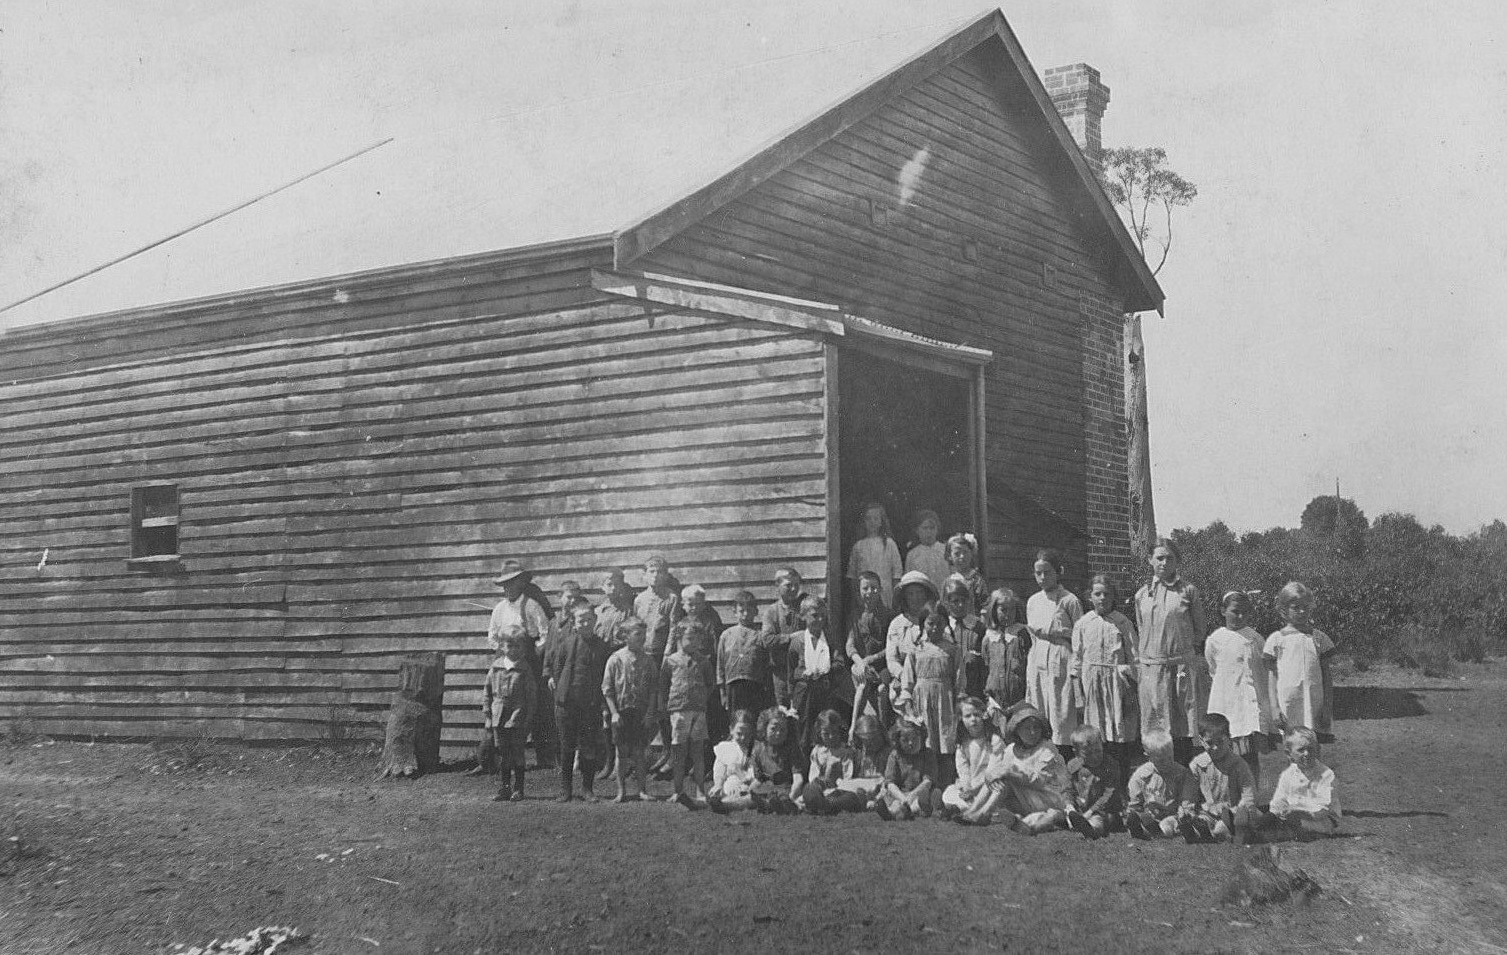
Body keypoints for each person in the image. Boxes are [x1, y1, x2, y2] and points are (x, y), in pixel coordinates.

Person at [1133, 538, 1208, 765]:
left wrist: (1180, 651)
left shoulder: (1188, 591)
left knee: (1182, 725)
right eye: (1159, 558)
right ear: (1150, 560)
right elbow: (1142, 628)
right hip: (1152, 670)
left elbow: (1199, 629)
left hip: (1180, 668)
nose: (1164, 563)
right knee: (1156, 726)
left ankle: (1185, 781)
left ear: (1177, 561)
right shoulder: (1141, 595)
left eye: (1170, 558)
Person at [488, 558, 557, 771]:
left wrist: (533, 652)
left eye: (512, 583)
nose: (508, 588)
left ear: (521, 583)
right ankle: (501, 757)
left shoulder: (532, 605)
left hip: (529, 662)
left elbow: (545, 634)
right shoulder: (499, 609)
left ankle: (545, 757)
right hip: (506, 662)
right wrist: (502, 650)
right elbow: (491, 635)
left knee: (534, 706)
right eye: (504, 585)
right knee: (503, 703)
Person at [1205, 590, 1277, 787]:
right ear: (1223, 611)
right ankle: (1230, 797)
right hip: (1227, 703)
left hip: (1249, 706)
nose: (1240, 616)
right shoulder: (1215, 639)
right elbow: (1213, 669)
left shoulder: (1255, 638)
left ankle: (1250, 796)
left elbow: (1261, 671)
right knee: (1226, 754)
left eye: (1245, 612)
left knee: (1249, 755)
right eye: (1235, 611)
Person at [963, 704, 1069, 832]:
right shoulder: (1011, 750)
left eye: (1036, 728)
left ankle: (984, 814)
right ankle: (972, 811)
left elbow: (1038, 780)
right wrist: (990, 775)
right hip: (1025, 798)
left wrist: (1009, 773)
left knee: (1005, 780)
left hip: (1047, 799)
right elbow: (998, 770)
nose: (1032, 732)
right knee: (996, 778)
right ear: (1017, 731)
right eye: (1027, 729)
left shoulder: (1047, 749)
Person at [543, 603, 611, 802]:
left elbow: (603, 675)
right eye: (581, 620)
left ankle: (587, 789)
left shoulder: (601, 646)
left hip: (590, 705)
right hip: (567, 703)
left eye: (590, 619)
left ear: (595, 621)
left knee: (588, 747)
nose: (586, 623)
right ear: (574, 622)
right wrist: (560, 695)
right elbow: (558, 669)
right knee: (567, 746)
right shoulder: (566, 643)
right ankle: (566, 790)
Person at [1072, 574, 1138, 764]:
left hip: (1117, 684)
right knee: (1096, 731)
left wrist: (1131, 682)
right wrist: (1078, 694)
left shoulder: (1122, 622)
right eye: (1097, 594)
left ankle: (1121, 776)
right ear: (1089, 597)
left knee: (1118, 731)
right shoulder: (1083, 624)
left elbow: (1134, 655)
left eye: (1106, 594)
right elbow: (1076, 661)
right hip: (1092, 683)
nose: (1102, 598)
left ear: (1113, 597)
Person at [1026, 549, 1083, 756]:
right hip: (1039, 657)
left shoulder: (1070, 600)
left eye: (1047, 572)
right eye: (1038, 573)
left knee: (1061, 712)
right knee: (1040, 706)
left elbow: (1079, 637)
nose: (1042, 577)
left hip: (1062, 659)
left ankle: (1064, 756)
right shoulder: (1033, 601)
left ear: (1058, 572)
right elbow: (1033, 635)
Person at [896, 608, 959, 787]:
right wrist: (907, 701)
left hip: (944, 700)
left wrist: (958, 700)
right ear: (923, 624)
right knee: (927, 741)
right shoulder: (916, 649)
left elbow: (958, 679)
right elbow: (907, 679)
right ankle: (927, 783)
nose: (935, 628)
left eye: (939, 623)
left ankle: (946, 784)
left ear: (946, 624)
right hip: (922, 699)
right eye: (930, 623)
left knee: (945, 740)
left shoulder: (952, 649)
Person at [1264, 582, 1336, 737]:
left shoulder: (1319, 638)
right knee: (1292, 746)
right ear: (1284, 609)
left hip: (1313, 705)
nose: (1302, 611)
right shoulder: (1276, 640)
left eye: (1306, 607)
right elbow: (1272, 677)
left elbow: (1327, 677)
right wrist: (1275, 708)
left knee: (1312, 745)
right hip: (1288, 705)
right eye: (1296, 607)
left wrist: (1327, 708)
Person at [600, 618, 659, 803]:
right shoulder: (616, 659)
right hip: (621, 712)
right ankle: (621, 791)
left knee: (639, 752)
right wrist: (614, 713)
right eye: (637, 634)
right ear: (626, 636)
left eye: (644, 634)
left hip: (640, 712)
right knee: (621, 752)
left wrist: (650, 712)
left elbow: (653, 690)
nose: (642, 638)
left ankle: (642, 790)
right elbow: (607, 689)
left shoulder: (648, 660)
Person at [659, 620, 716, 809]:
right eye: (690, 639)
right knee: (679, 752)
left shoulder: (704, 661)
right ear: (679, 638)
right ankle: (678, 790)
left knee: (697, 751)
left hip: (698, 711)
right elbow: (664, 685)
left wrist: (701, 700)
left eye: (697, 639)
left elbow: (710, 684)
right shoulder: (670, 661)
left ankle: (700, 790)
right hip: (678, 711)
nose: (694, 643)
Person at [635, 556, 683, 776]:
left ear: (666, 574)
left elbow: (673, 627)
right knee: (646, 705)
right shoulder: (640, 599)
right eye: (651, 571)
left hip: (662, 657)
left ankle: (669, 752)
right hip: (643, 656)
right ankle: (644, 755)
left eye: (660, 572)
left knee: (663, 704)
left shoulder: (672, 598)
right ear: (645, 574)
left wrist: (667, 654)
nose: (655, 576)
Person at [1181, 712, 1259, 844]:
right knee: (1200, 820)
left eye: (1220, 742)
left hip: (1234, 812)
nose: (1215, 747)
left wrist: (1243, 812)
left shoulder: (1238, 764)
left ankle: (1218, 832)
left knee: (1223, 827)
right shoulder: (1197, 764)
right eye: (1210, 743)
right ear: (1201, 741)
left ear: (1229, 738)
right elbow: (1189, 794)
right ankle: (1198, 830)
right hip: (1210, 812)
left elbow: (1249, 795)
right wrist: (1188, 811)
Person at [592, 568, 639, 782]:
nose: (612, 587)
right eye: (608, 584)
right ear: (603, 587)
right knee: (605, 714)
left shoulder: (628, 611)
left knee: (623, 712)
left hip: (621, 662)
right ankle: (609, 761)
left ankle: (625, 762)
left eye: (616, 583)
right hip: (601, 663)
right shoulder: (599, 611)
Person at [482, 626, 538, 803]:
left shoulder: (525, 669)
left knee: (517, 752)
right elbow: (487, 692)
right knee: (504, 753)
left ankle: (519, 789)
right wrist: (488, 717)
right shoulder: (496, 667)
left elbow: (531, 697)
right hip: (499, 714)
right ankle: (505, 788)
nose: (513, 650)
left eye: (518, 646)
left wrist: (528, 719)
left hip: (517, 716)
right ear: (502, 646)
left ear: (523, 648)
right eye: (509, 646)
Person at [788, 596, 847, 752]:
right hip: (804, 695)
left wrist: (826, 669)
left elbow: (840, 663)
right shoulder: (798, 641)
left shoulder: (830, 639)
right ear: (803, 616)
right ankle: (806, 768)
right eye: (815, 615)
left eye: (823, 615)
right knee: (805, 731)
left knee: (825, 727)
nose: (820, 619)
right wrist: (803, 674)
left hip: (824, 691)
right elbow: (791, 670)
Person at [1267, 726, 1342, 836]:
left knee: (1298, 825)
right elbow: (1279, 800)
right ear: (1289, 754)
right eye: (1301, 750)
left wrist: (1298, 811)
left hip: (1322, 818)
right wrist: (1278, 811)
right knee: (1268, 820)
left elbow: (1323, 807)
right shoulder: (1287, 774)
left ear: (1318, 749)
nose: (1306, 753)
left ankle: (1291, 830)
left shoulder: (1326, 774)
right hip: (1293, 815)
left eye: (1310, 749)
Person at [1124, 730, 1199, 839]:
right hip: (1151, 815)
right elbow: (1135, 803)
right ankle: (1143, 829)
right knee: (1142, 817)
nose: (1167, 762)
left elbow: (1187, 800)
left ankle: (1156, 832)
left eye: (1170, 757)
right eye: (1161, 760)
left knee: (1168, 824)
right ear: (1148, 756)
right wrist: (1135, 813)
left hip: (1174, 815)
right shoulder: (1141, 775)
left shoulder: (1182, 773)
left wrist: (1185, 811)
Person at [846, 571, 894, 740]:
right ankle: (854, 729)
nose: (869, 592)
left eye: (874, 588)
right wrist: (860, 662)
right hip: (864, 666)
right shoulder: (855, 616)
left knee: (882, 690)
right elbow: (850, 645)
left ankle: (883, 729)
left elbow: (890, 647)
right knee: (861, 686)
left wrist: (871, 659)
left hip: (884, 666)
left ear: (880, 590)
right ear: (859, 591)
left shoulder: (888, 615)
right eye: (865, 588)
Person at [940, 696, 1004, 820]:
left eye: (976, 715)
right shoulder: (963, 743)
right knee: (949, 791)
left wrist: (975, 790)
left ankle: (962, 810)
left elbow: (993, 771)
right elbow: (963, 769)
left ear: (984, 715)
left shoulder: (994, 740)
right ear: (961, 719)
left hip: (989, 785)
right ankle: (959, 808)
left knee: (997, 794)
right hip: (971, 786)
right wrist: (967, 788)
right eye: (968, 716)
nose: (973, 719)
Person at [717, 591, 778, 717]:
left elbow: (767, 663)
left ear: (756, 611)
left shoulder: (760, 635)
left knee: (753, 717)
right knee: (735, 718)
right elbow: (720, 665)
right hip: (733, 684)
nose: (745, 614)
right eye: (741, 610)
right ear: (734, 611)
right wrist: (722, 692)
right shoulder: (726, 635)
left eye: (749, 610)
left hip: (755, 685)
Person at [1064, 724, 1124, 840]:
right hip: (1080, 809)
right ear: (1076, 752)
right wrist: (1069, 806)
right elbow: (1067, 788)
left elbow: (1108, 796)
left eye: (1098, 751)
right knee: (1055, 813)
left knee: (1098, 820)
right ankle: (1029, 825)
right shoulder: (1073, 766)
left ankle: (1090, 830)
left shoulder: (1110, 765)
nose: (1095, 756)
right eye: (1088, 754)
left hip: (1102, 810)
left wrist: (1089, 813)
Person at [761, 568, 809, 709]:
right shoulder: (772, 612)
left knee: (801, 710)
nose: (793, 589)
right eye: (788, 585)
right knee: (782, 710)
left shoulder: (805, 607)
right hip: (780, 674)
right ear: (777, 586)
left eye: (796, 585)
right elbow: (767, 640)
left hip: (801, 672)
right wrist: (791, 638)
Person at [802, 710, 865, 814]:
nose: (831, 737)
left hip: (840, 790)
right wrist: (820, 785)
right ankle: (819, 804)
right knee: (808, 789)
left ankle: (824, 805)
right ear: (819, 733)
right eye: (826, 734)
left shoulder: (845, 752)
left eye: (834, 732)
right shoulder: (817, 751)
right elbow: (813, 777)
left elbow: (847, 778)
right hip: (821, 790)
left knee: (849, 797)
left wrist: (834, 785)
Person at [981, 587, 1031, 719]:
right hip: (995, 702)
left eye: (1012, 609)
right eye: (1003, 610)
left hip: (1020, 701)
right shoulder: (989, 637)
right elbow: (986, 668)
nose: (1008, 614)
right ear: (993, 610)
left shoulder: (1021, 634)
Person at [875, 718, 938, 821]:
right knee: (895, 804)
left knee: (921, 802)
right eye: (905, 740)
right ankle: (892, 813)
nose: (910, 743)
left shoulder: (928, 754)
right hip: (900, 794)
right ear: (898, 741)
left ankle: (905, 812)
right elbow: (890, 783)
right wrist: (903, 798)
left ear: (922, 737)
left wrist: (911, 796)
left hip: (919, 793)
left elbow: (928, 781)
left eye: (914, 739)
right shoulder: (895, 755)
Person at [886, 571, 937, 690]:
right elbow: (892, 659)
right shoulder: (897, 624)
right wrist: (905, 676)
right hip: (904, 681)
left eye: (919, 592)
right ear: (904, 597)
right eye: (911, 594)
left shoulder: (936, 621)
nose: (916, 598)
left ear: (926, 595)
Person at [846, 502, 904, 609]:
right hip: (865, 593)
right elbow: (852, 576)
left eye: (876, 518)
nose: (872, 522)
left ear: (882, 521)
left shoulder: (889, 543)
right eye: (868, 519)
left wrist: (895, 599)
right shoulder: (858, 546)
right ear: (863, 522)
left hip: (885, 593)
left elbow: (897, 573)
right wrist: (858, 598)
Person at [750, 707, 804, 814]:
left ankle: (779, 805)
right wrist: (750, 791)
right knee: (750, 797)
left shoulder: (792, 749)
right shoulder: (758, 750)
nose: (778, 733)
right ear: (764, 728)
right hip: (767, 788)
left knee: (782, 798)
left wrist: (792, 797)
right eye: (773, 729)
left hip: (786, 788)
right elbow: (759, 779)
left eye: (782, 730)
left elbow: (798, 779)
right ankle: (725, 804)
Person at [942, 574, 988, 700]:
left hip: (973, 686)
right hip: (948, 685)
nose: (961, 605)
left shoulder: (978, 627)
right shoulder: (943, 627)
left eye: (964, 600)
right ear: (947, 603)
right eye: (956, 601)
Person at [707, 710, 760, 814]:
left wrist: (744, 780)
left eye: (747, 734)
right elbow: (719, 769)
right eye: (739, 734)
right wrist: (718, 784)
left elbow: (756, 772)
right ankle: (700, 802)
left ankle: (726, 805)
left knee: (751, 798)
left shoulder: (756, 749)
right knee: (719, 793)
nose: (743, 738)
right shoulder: (726, 748)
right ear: (731, 730)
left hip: (750, 785)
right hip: (730, 785)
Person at [904, 508, 950, 593]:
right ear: (917, 530)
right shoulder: (912, 555)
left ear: (937, 529)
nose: (929, 532)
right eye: (925, 528)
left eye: (932, 528)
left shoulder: (946, 550)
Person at [945, 532, 990, 612]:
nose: (962, 557)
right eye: (957, 553)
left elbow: (984, 605)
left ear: (971, 553)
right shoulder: (948, 581)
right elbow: (944, 605)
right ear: (950, 556)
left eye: (965, 552)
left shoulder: (976, 580)